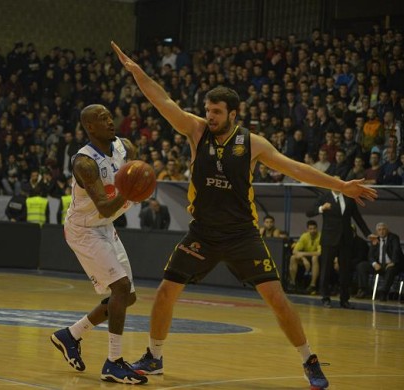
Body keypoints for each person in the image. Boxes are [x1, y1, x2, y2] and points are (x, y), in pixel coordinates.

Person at [111, 41, 377, 389]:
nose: (210, 116)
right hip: (202, 233)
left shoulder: (253, 143)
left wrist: (341, 185)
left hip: (241, 235)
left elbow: (297, 169)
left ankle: (308, 360)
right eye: (208, 110)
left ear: (233, 113)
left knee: (278, 300)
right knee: (164, 292)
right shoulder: (196, 131)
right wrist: (137, 72)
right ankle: (154, 356)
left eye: (217, 111)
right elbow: (163, 101)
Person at [50, 104, 147, 385]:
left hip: (105, 227)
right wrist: (130, 190)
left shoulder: (125, 147)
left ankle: (70, 335)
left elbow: (135, 172)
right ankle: (113, 362)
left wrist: (139, 181)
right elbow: (104, 207)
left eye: (109, 116)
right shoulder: (84, 162)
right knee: (120, 287)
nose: (109, 121)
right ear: (89, 127)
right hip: (83, 230)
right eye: (101, 119)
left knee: (127, 297)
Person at [307, 179, 373, 309]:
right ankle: (325, 297)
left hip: (345, 239)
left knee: (345, 271)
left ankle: (344, 299)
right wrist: (321, 208)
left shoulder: (349, 197)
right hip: (329, 239)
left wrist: (368, 234)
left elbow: (357, 217)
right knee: (326, 269)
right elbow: (309, 212)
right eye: (334, 182)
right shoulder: (324, 197)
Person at [356, 222, 403, 301]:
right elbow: (370, 256)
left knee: (390, 269)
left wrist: (393, 262)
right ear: (377, 232)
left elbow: (396, 250)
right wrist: (374, 264)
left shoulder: (394, 238)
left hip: (393, 265)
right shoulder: (375, 239)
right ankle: (363, 289)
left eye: (383, 229)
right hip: (379, 265)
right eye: (379, 230)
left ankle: (383, 293)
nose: (381, 231)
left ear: (387, 230)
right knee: (362, 266)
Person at [288, 220, 321, 295]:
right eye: (310, 229)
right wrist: (303, 258)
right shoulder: (304, 236)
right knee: (293, 257)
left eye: (314, 228)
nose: (312, 230)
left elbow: (319, 253)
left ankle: (312, 285)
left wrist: (303, 254)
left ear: (317, 229)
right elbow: (294, 251)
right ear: (307, 229)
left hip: (316, 258)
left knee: (314, 258)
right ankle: (292, 283)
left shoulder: (320, 236)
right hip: (305, 257)